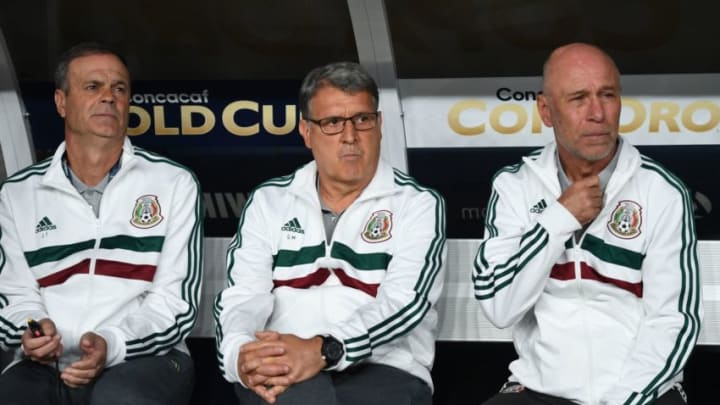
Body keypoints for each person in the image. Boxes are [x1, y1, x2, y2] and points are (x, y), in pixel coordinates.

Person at [473, 43, 702, 405]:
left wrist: (628, 399)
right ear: (546, 111)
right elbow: (500, 306)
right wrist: (559, 218)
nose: (597, 113)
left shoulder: (662, 191)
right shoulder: (514, 186)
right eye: (578, 98)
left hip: (642, 394)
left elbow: (673, 321)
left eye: (607, 95)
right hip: (541, 392)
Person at [214, 61, 446, 405]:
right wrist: (241, 356)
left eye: (362, 120)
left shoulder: (417, 203)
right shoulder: (270, 200)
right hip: (282, 363)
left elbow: (404, 304)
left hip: (384, 370)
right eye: (333, 123)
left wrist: (325, 349)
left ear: (380, 125)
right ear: (306, 131)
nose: (350, 136)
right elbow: (243, 297)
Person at [0, 42, 203, 405]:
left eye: (119, 89)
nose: (109, 97)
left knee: (119, 398)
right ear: (62, 102)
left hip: (144, 357)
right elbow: (14, 294)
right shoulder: (17, 193)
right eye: (93, 87)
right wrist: (30, 330)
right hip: (45, 362)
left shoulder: (173, 183)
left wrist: (112, 343)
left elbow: (175, 303)